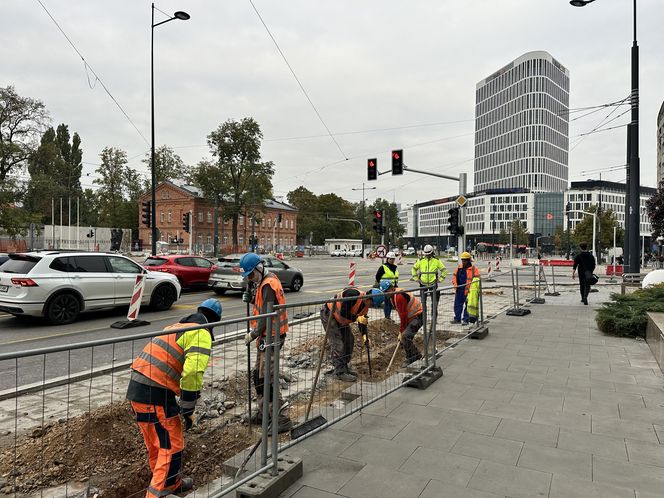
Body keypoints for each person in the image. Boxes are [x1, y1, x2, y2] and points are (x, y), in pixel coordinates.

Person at [126, 298, 222, 498]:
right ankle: (157, 494)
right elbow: (192, 372)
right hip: (155, 393)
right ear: (214, 321)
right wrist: (188, 409)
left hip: (138, 390)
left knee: (158, 445)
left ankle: (171, 484)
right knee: (172, 447)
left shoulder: (175, 326)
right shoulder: (200, 332)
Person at [240, 252, 292, 431]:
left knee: (268, 377)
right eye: (248, 277)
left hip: (272, 336)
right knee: (258, 375)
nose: (251, 279)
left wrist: (254, 333)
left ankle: (282, 418)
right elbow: (263, 306)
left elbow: (267, 315)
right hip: (265, 337)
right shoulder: (263, 282)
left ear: (259, 268)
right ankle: (265, 412)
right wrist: (252, 298)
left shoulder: (269, 284)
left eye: (251, 275)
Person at [321, 287, 380, 382]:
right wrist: (357, 318)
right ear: (369, 298)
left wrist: (365, 337)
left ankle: (344, 367)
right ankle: (339, 372)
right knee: (337, 343)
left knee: (349, 340)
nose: (371, 306)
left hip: (341, 319)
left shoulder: (365, 307)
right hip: (329, 314)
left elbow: (362, 323)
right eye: (372, 304)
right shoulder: (353, 295)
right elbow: (344, 312)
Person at [379, 281, 424, 367]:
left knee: (405, 336)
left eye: (386, 291)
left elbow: (403, 316)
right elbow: (402, 315)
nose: (385, 294)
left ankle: (413, 357)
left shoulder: (399, 296)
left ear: (391, 288)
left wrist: (401, 331)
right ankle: (414, 356)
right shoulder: (393, 296)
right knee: (406, 337)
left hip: (418, 316)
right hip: (413, 317)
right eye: (384, 292)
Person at [411, 244, 447, 310]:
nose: (427, 255)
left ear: (432, 252)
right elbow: (413, 269)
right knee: (423, 304)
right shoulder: (420, 260)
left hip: (433, 284)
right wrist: (416, 278)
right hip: (423, 284)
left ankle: (434, 319)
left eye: (429, 254)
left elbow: (444, 270)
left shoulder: (436, 260)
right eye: (426, 254)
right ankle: (423, 318)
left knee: (434, 304)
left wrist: (440, 279)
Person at [451, 252, 481, 325]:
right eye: (463, 260)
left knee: (467, 306)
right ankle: (457, 319)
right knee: (457, 305)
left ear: (469, 260)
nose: (463, 262)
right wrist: (455, 285)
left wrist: (473, 290)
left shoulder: (474, 269)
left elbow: (477, 280)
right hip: (459, 290)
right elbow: (454, 277)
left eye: (465, 260)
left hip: (469, 291)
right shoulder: (459, 268)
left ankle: (466, 320)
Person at [375, 251, 399, 320]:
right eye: (390, 259)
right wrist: (382, 285)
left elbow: (395, 277)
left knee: (391, 303)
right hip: (386, 288)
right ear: (387, 259)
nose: (392, 260)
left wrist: (395, 285)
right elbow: (377, 277)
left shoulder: (395, 267)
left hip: (393, 288)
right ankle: (387, 317)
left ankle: (388, 316)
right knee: (387, 302)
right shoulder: (383, 267)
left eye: (393, 259)